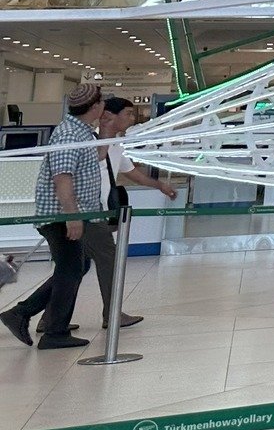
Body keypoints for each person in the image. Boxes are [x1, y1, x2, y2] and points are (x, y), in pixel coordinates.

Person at [2, 83, 106, 350]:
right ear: (95, 106)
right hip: (60, 217)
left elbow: (94, 158)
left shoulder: (81, 132)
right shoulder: (69, 134)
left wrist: (107, 131)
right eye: (102, 102)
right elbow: (62, 178)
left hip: (66, 215)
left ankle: (23, 314)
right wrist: (72, 216)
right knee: (71, 269)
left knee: (77, 266)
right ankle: (52, 331)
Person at [86, 96, 170, 331]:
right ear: (108, 116)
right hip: (88, 211)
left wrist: (159, 185)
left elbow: (132, 172)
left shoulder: (117, 144)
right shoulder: (91, 141)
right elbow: (88, 165)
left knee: (75, 267)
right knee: (108, 260)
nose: (133, 119)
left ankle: (42, 316)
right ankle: (112, 315)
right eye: (129, 114)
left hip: (98, 211)